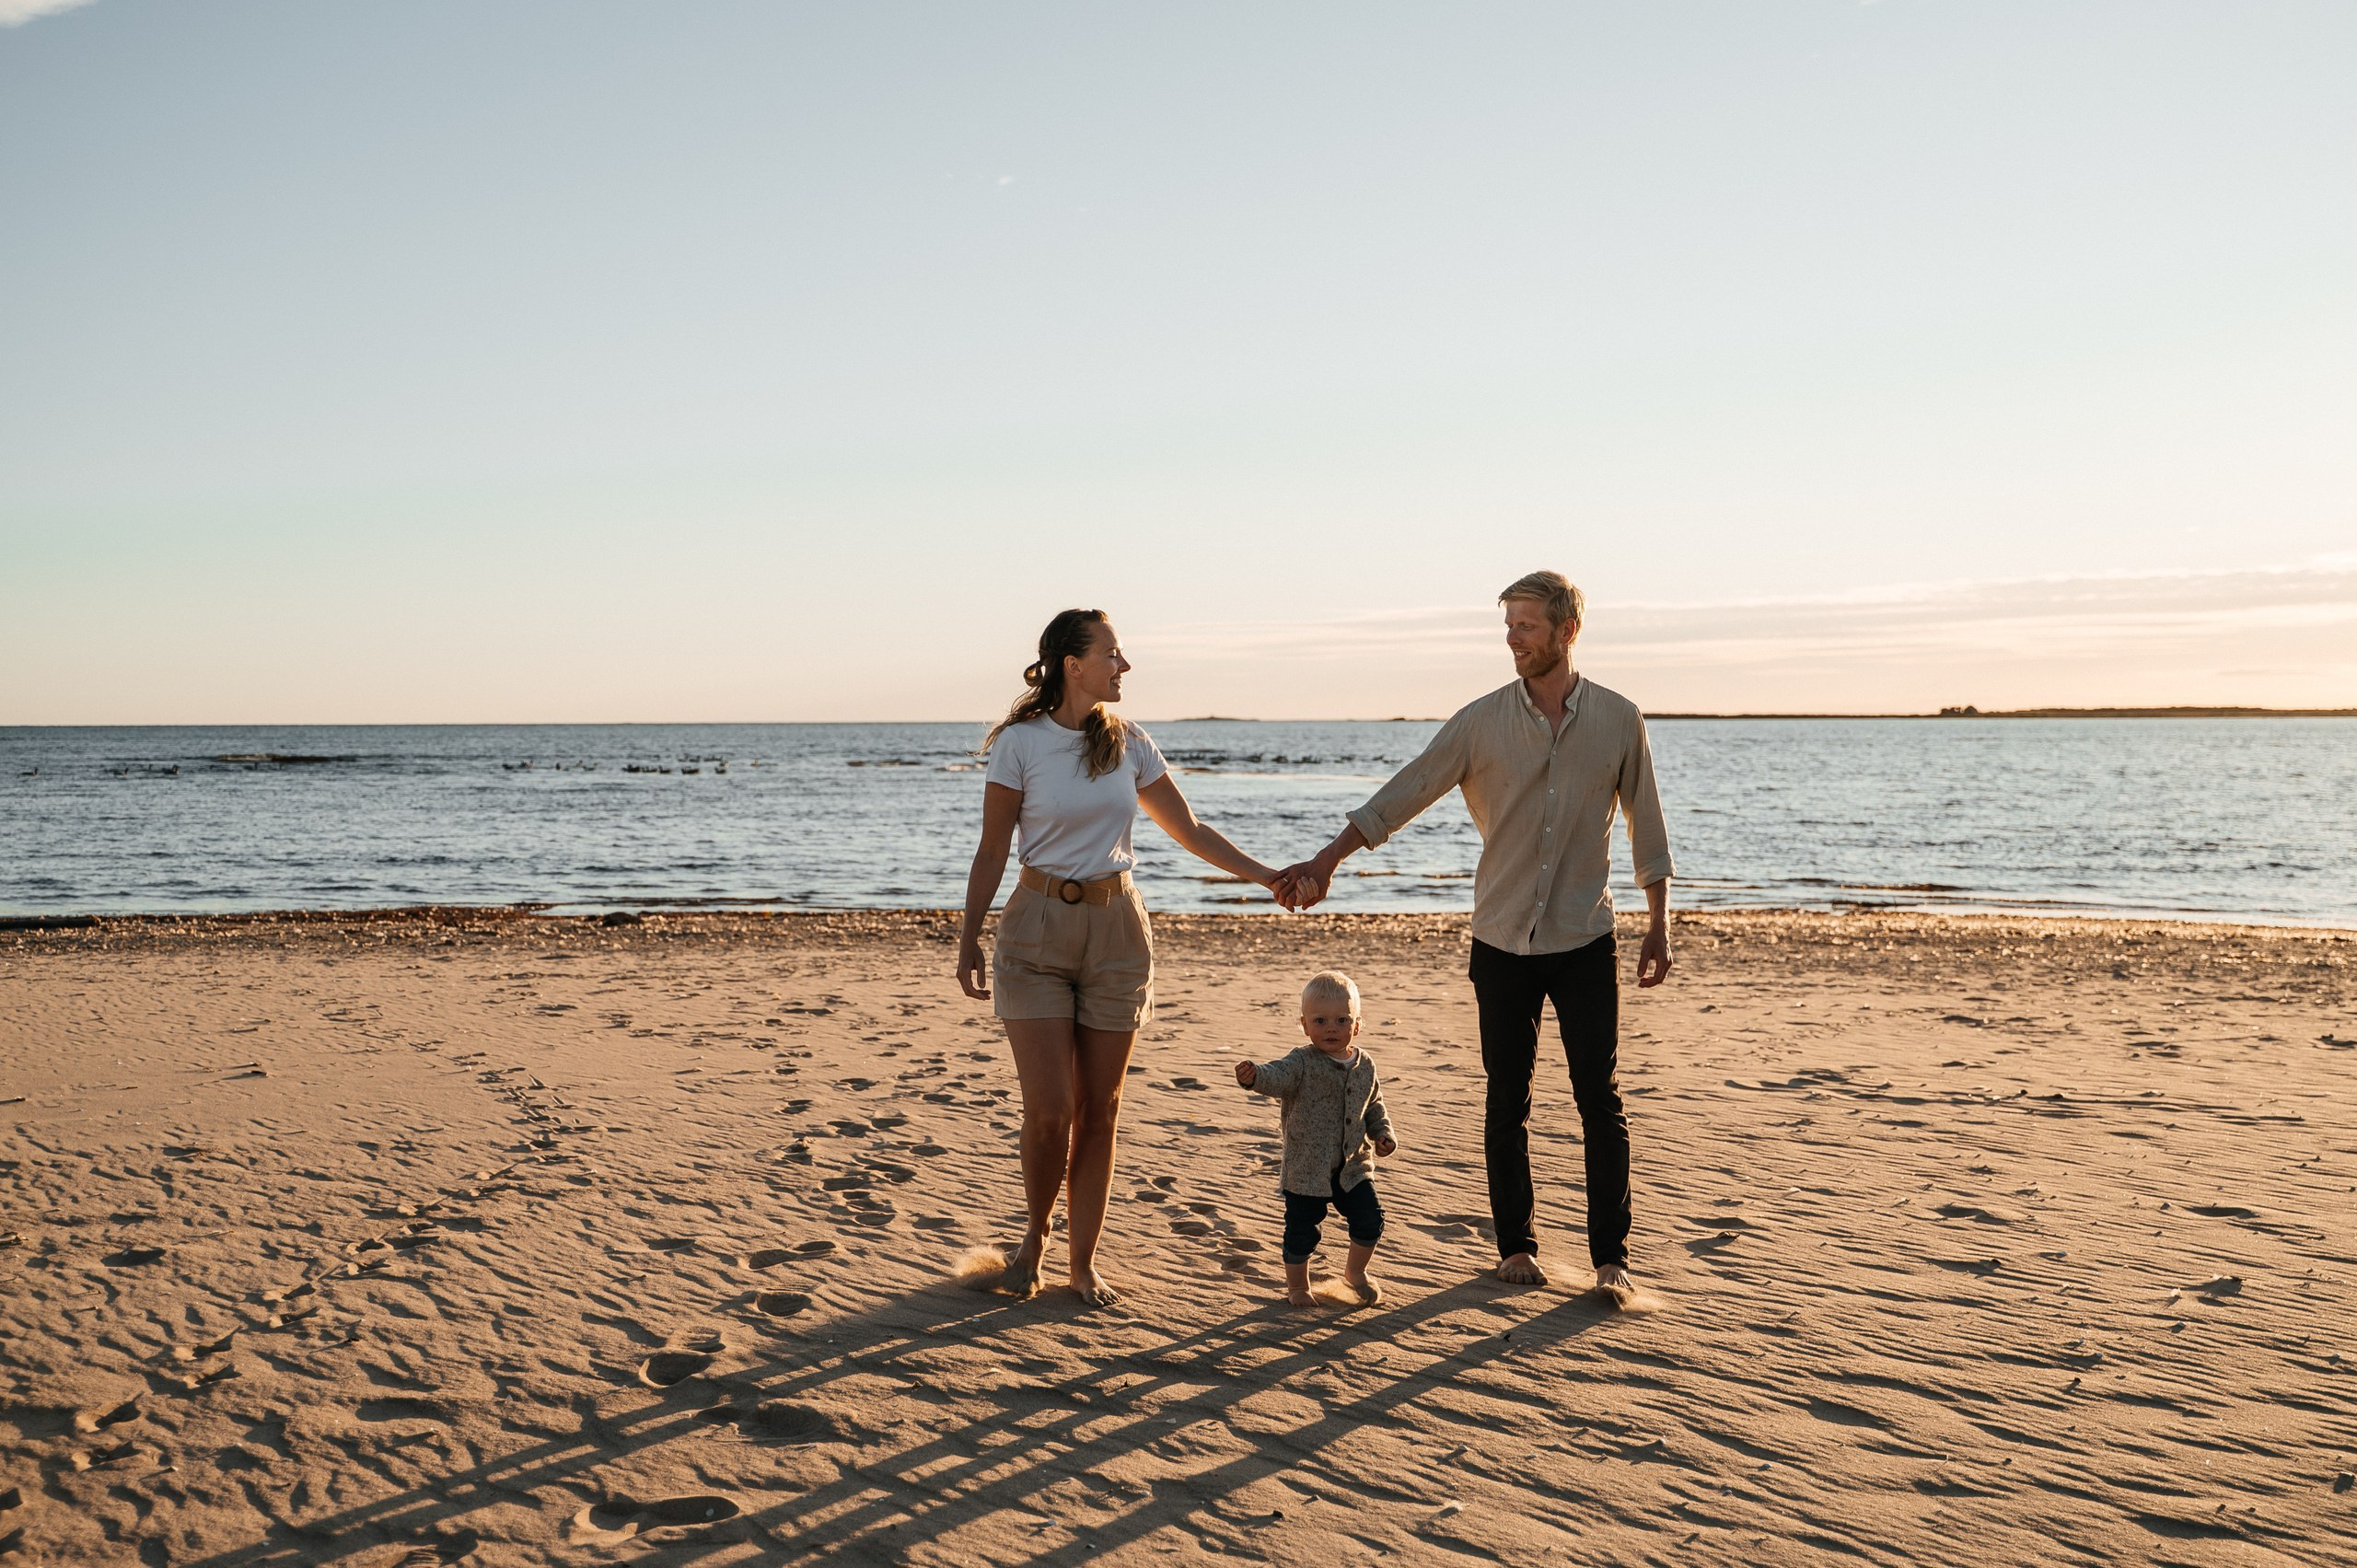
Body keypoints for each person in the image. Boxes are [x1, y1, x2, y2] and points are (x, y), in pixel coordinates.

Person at [1274, 571, 1675, 1296]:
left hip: (1586, 937)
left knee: (1600, 1100)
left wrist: (1659, 923)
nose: (1513, 639)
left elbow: (1648, 823)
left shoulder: (1620, 719)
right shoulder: (1480, 721)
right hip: (1501, 941)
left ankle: (1611, 1258)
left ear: (1566, 631)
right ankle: (1516, 1245)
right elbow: (1406, 792)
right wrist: (1327, 859)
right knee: (1507, 1098)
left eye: (1526, 625)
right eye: (1509, 626)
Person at [958, 608, 1298, 1307]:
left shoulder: (1131, 742)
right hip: (1036, 930)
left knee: (1101, 1109)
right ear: (1072, 664)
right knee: (1050, 1110)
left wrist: (1266, 876)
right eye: (1114, 653)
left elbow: (1191, 829)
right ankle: (1035, 1235)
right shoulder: (1019, 745)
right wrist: (967, 935)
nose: (1125, 665)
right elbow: (993, 848)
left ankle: (1082, 1262)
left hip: (1118, 932)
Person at [1235, 970, 1398, 1308]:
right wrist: (1255, 1077)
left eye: (1341, 1020)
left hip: (1353, 1167)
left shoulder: (1365, 1064)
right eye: (1320, 1021)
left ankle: (1355, 1273)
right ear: (1305, 1025)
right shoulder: (1301, 1062)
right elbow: (1275, 1077)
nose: (1331, 1028)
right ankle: (1297, 1287)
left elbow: (1374, 1104)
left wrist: (1382, 1134)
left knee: (1370, 1221)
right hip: (1307, 1168)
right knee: (1302, 1232)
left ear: (1357, 1025)